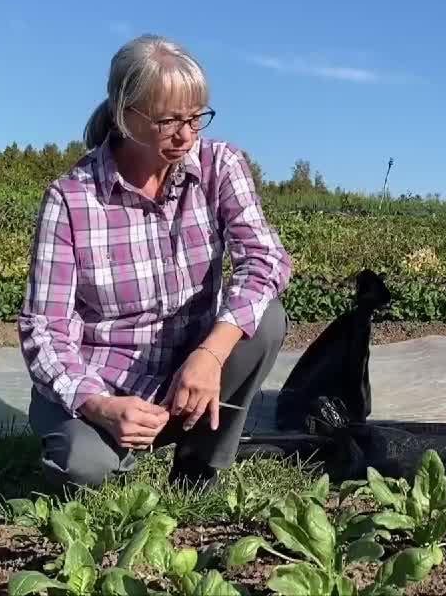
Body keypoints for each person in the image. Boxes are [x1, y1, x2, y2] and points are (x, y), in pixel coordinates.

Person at [19, 34, 291, 490]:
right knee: (84, 467)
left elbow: (265, 260)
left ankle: (198, 467)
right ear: (127, 116)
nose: (185, 135)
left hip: (188, 376)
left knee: (265, 320)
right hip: (105, 384)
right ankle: (111, 449)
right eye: (168, 121)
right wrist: (97, 405)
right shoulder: (71, 199)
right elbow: (45, 329)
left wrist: (209, 353)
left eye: (195, 118)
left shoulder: (219, 166)